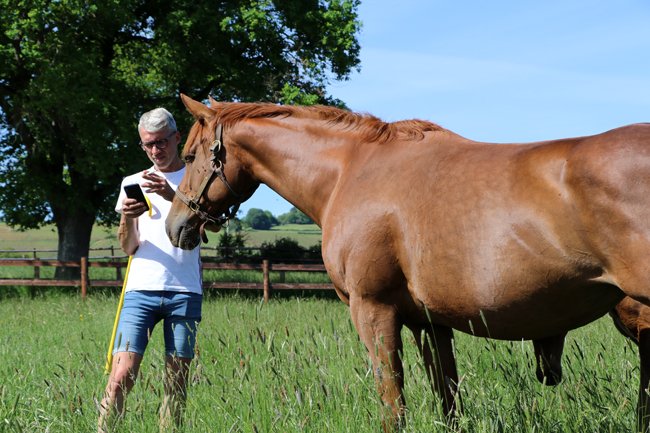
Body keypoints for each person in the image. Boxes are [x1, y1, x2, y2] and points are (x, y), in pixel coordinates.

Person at [98, 107, 202, 432]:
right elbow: (129, 246)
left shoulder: (196, 178)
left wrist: (173, 196)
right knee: (120, 376)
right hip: (140, 291)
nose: (156, 150)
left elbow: (208, 227)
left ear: (177, 137)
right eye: (148, 144)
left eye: (161, 142)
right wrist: (128, 216)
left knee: (176, 381)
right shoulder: (132, 182)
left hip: (184, 292)